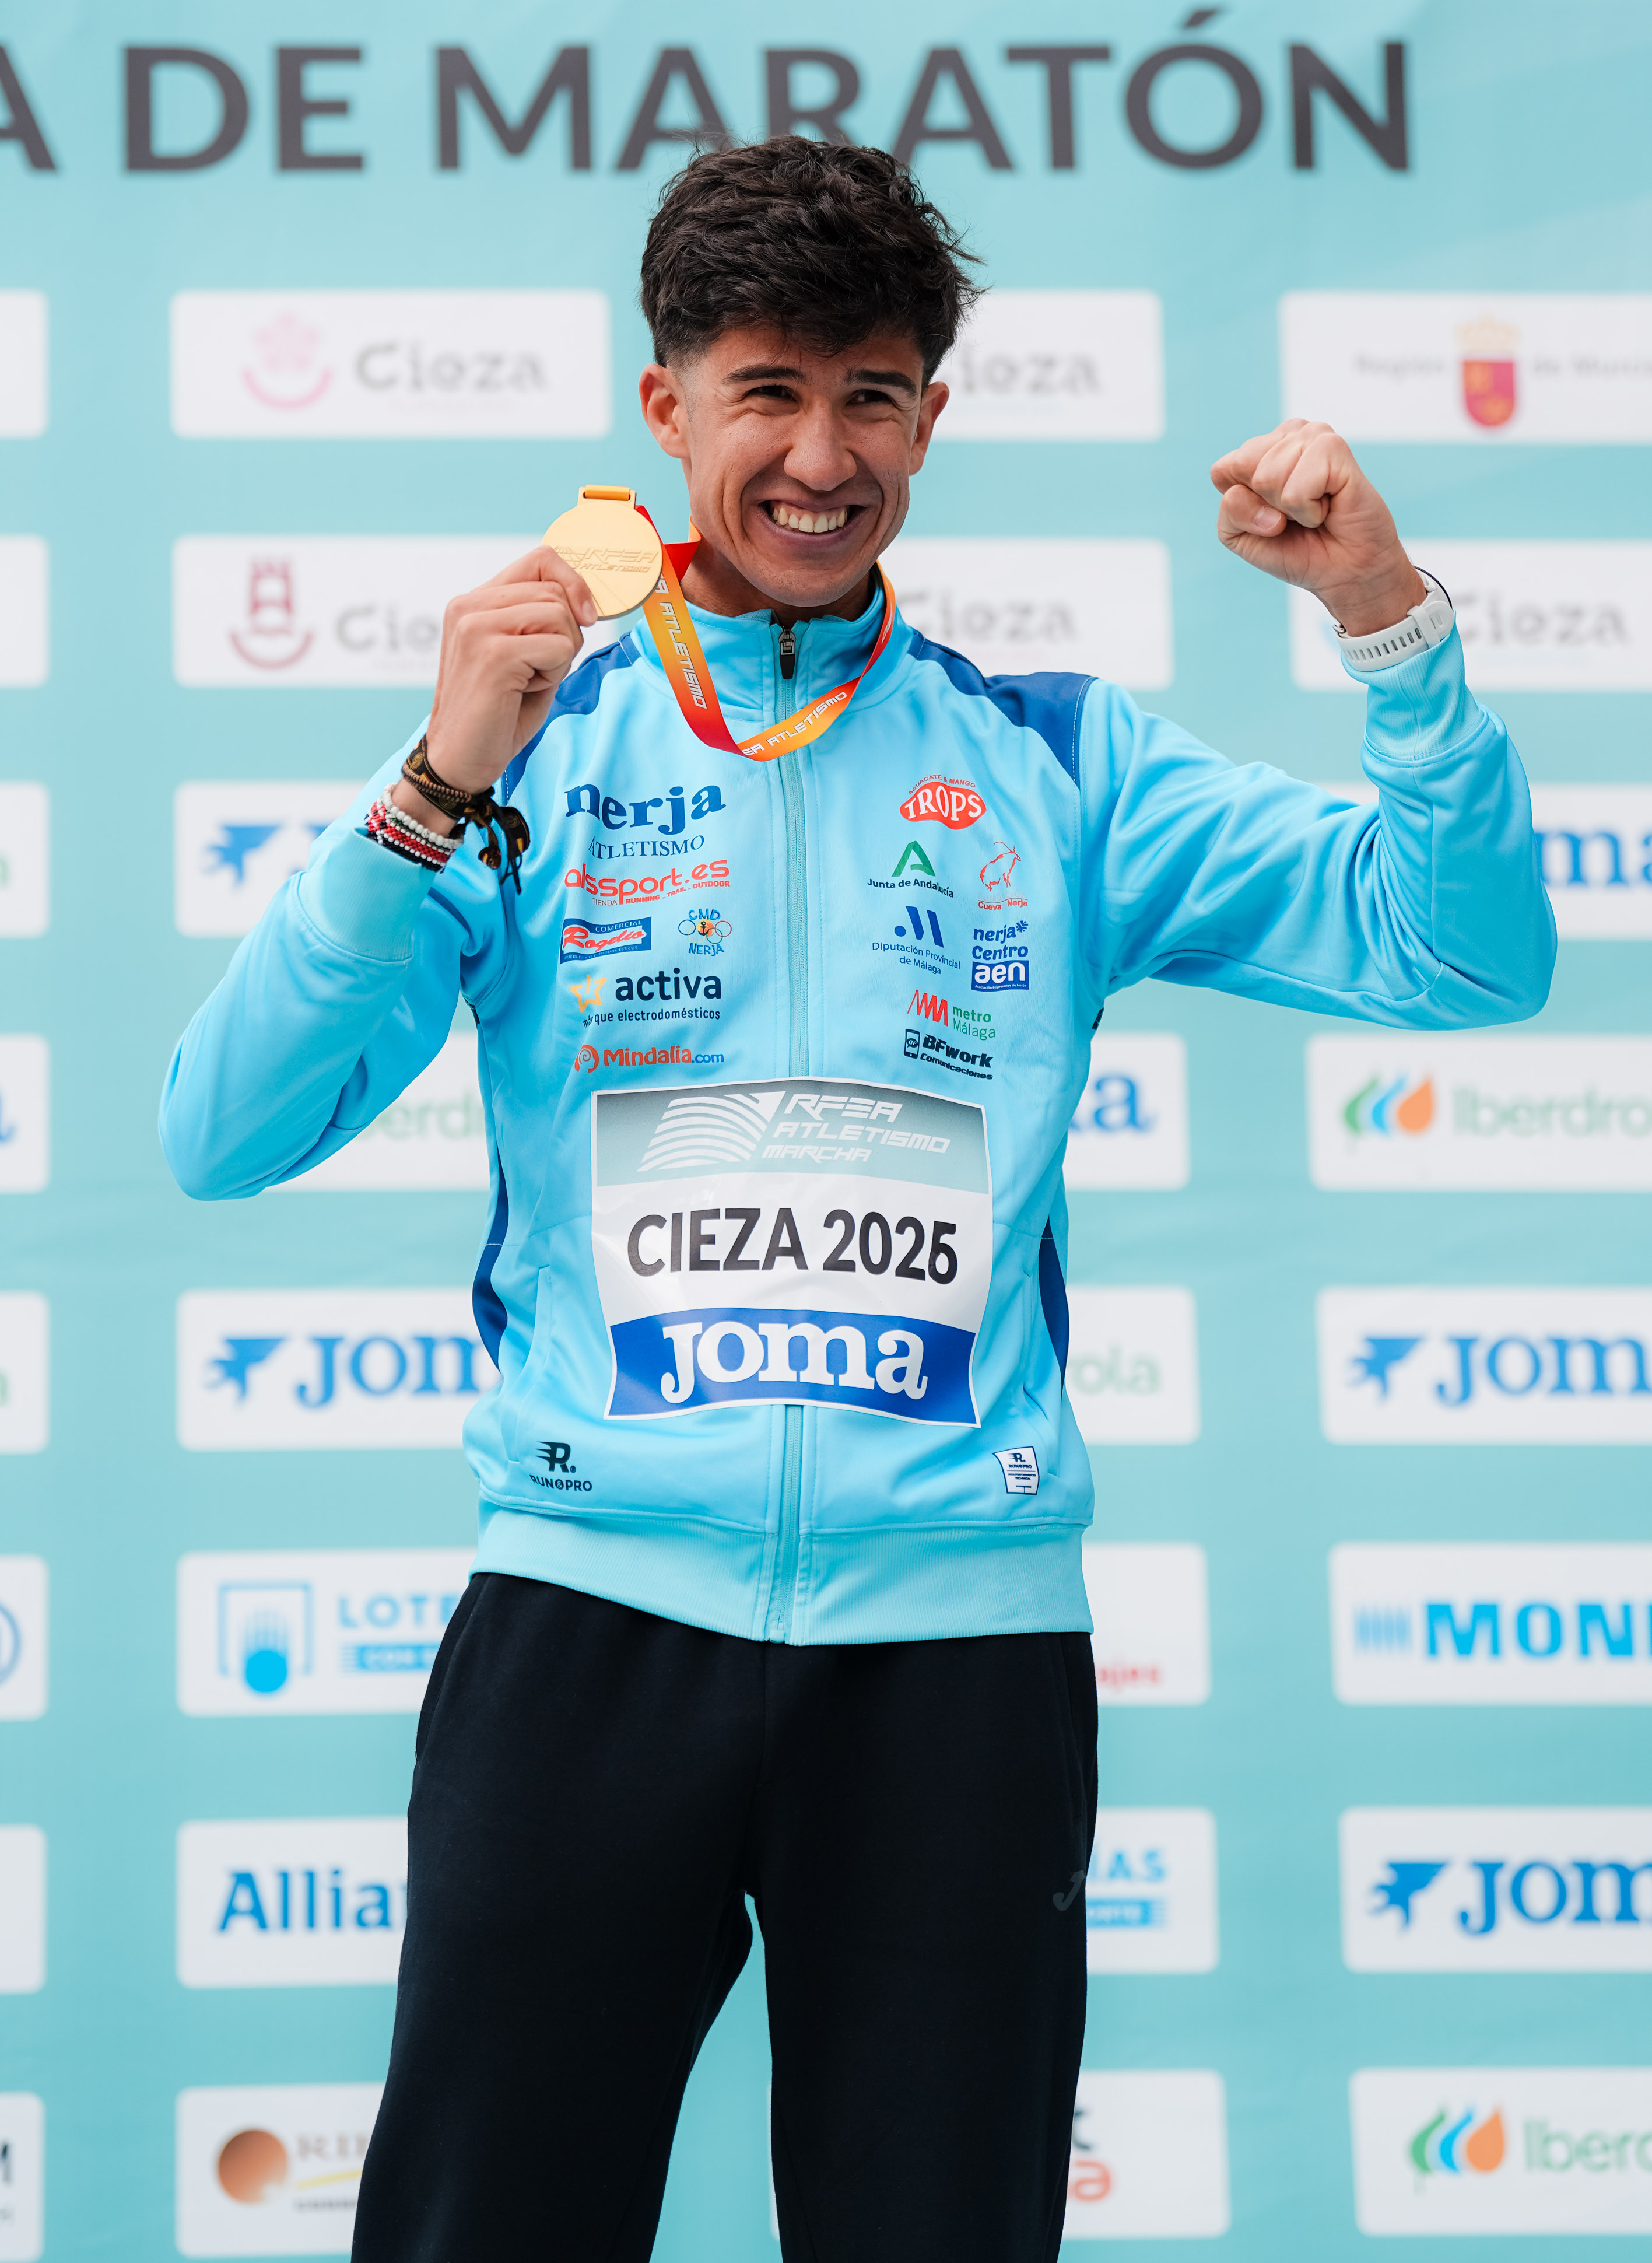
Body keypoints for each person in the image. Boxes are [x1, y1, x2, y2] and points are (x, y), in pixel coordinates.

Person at [160, 137, 1553, 2263]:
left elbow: (1462, 955)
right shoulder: (529, 754)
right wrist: (431, 787)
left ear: (928, 415)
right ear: (667, 410)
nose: (821, 459)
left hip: (955, 1660)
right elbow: (220, 1130)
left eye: (872, 398)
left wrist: (1391, 623)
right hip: (591, 1624)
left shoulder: (1059, 762)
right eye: (768, 394)